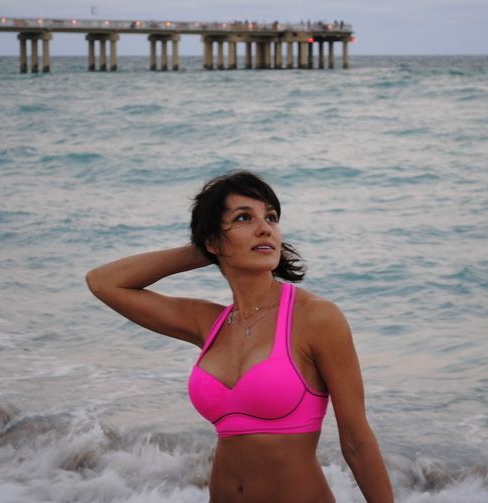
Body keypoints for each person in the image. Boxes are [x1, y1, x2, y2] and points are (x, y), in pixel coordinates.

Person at [86, 171, 394, 502]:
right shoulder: (210, 323)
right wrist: (203, 248)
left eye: (271, 218)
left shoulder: (316, 318)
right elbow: (103, 282)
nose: (265, 228)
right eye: (244, 217)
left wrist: (224, 241)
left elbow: (356, 439)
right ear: (213, 241)